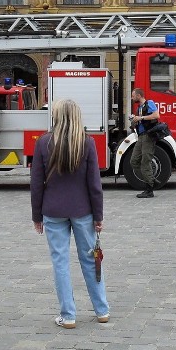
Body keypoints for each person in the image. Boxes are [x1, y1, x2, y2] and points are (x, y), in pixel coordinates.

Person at [30, 99, 108, 329]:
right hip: (83, 210)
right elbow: (95, 184)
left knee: (60, 262)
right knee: (91, 259)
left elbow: (36, 183)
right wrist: (98, 215)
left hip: (53, 211)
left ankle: (68, 315)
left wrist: (36, 215)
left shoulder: (44, 142)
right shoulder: (87, 143)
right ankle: (102, 309)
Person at [130, 88, 160, 198]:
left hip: (148, 135)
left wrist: (141, 117)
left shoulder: (149, 103)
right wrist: (134, 120)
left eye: (133, 96)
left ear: (139, 95)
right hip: (141, 136)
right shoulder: (139, 108)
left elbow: (156, 115)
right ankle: (151, 179)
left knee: (145, 161)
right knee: (134, 161)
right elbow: (140, 121)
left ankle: (149, 190)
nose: (132, 98)